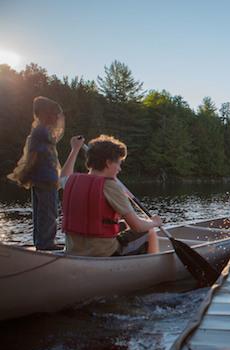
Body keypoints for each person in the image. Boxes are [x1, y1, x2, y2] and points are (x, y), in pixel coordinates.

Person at [61, 135, 162, 257]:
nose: (119, 169)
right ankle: (153, 264)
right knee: (149, 231)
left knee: (125, 223)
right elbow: (138, 226)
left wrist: (74, 149)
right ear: (108, 163)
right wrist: (154, 222)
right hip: (104, 253)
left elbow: (63, 176)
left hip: (73, 249)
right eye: (118, 163)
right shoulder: (110, 186)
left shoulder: (73, 180)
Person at [7, 96, 84, 250]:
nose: (57, 118)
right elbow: (51, 140)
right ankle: (46, 244)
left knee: (41, 212)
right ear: (46, 114)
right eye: (55, 114)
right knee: (48, 213)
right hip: (45, 180)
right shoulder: (42, 131)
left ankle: (41, 242)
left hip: (40, 179)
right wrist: (75, 146)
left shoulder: (39, 131)